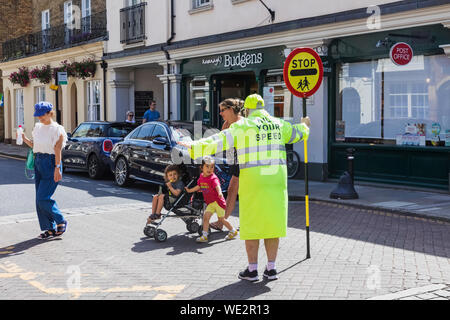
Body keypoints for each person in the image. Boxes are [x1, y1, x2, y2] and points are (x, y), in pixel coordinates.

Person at [178, 94, 310, 281]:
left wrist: (193, 146)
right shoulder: (279, 124)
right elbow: (299, 133)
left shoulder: (243, 126)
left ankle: (252, 270)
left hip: (254, 184)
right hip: (276, 184)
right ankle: (271, 268)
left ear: (247, 110)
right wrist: (305, 124)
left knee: (253, 226)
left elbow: (218, 141)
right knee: (272, 226)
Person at [20, 102, 68, 240]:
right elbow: (35, 146)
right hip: (38, 161)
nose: (39, 117)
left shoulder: (57, 129)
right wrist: (24, 139)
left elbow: (57, 150)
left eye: (42, 114)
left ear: (49, 113)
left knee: (43, 198)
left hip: (51, 162)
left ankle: (60, 220)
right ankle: (49, 228)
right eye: (38, 115)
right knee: (38, 199)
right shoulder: (38, 127)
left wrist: (57, 168)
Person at [185, 156, 238, 243]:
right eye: (207, 167)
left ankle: (233, 230)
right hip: (211, 203)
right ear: (201, 168)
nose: (210, 169)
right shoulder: (201, 177)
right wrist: (190, 190)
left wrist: (220, 193)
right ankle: (204, 236)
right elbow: (199, 186)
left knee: (221, 219)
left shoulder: (213, 178)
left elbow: (217, 186)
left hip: (218, 202)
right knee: (206, 218)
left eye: (212, 167)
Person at [210, 98, 243, 232]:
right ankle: (222, 221)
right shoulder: (226, 125)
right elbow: (223, 144)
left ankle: (222, 222)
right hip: (236, 162)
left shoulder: (242, 123)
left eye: (223, 110)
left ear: (230, 109)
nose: (220, 113)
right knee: (232, 190)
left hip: (247, 161)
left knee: (237, 191)